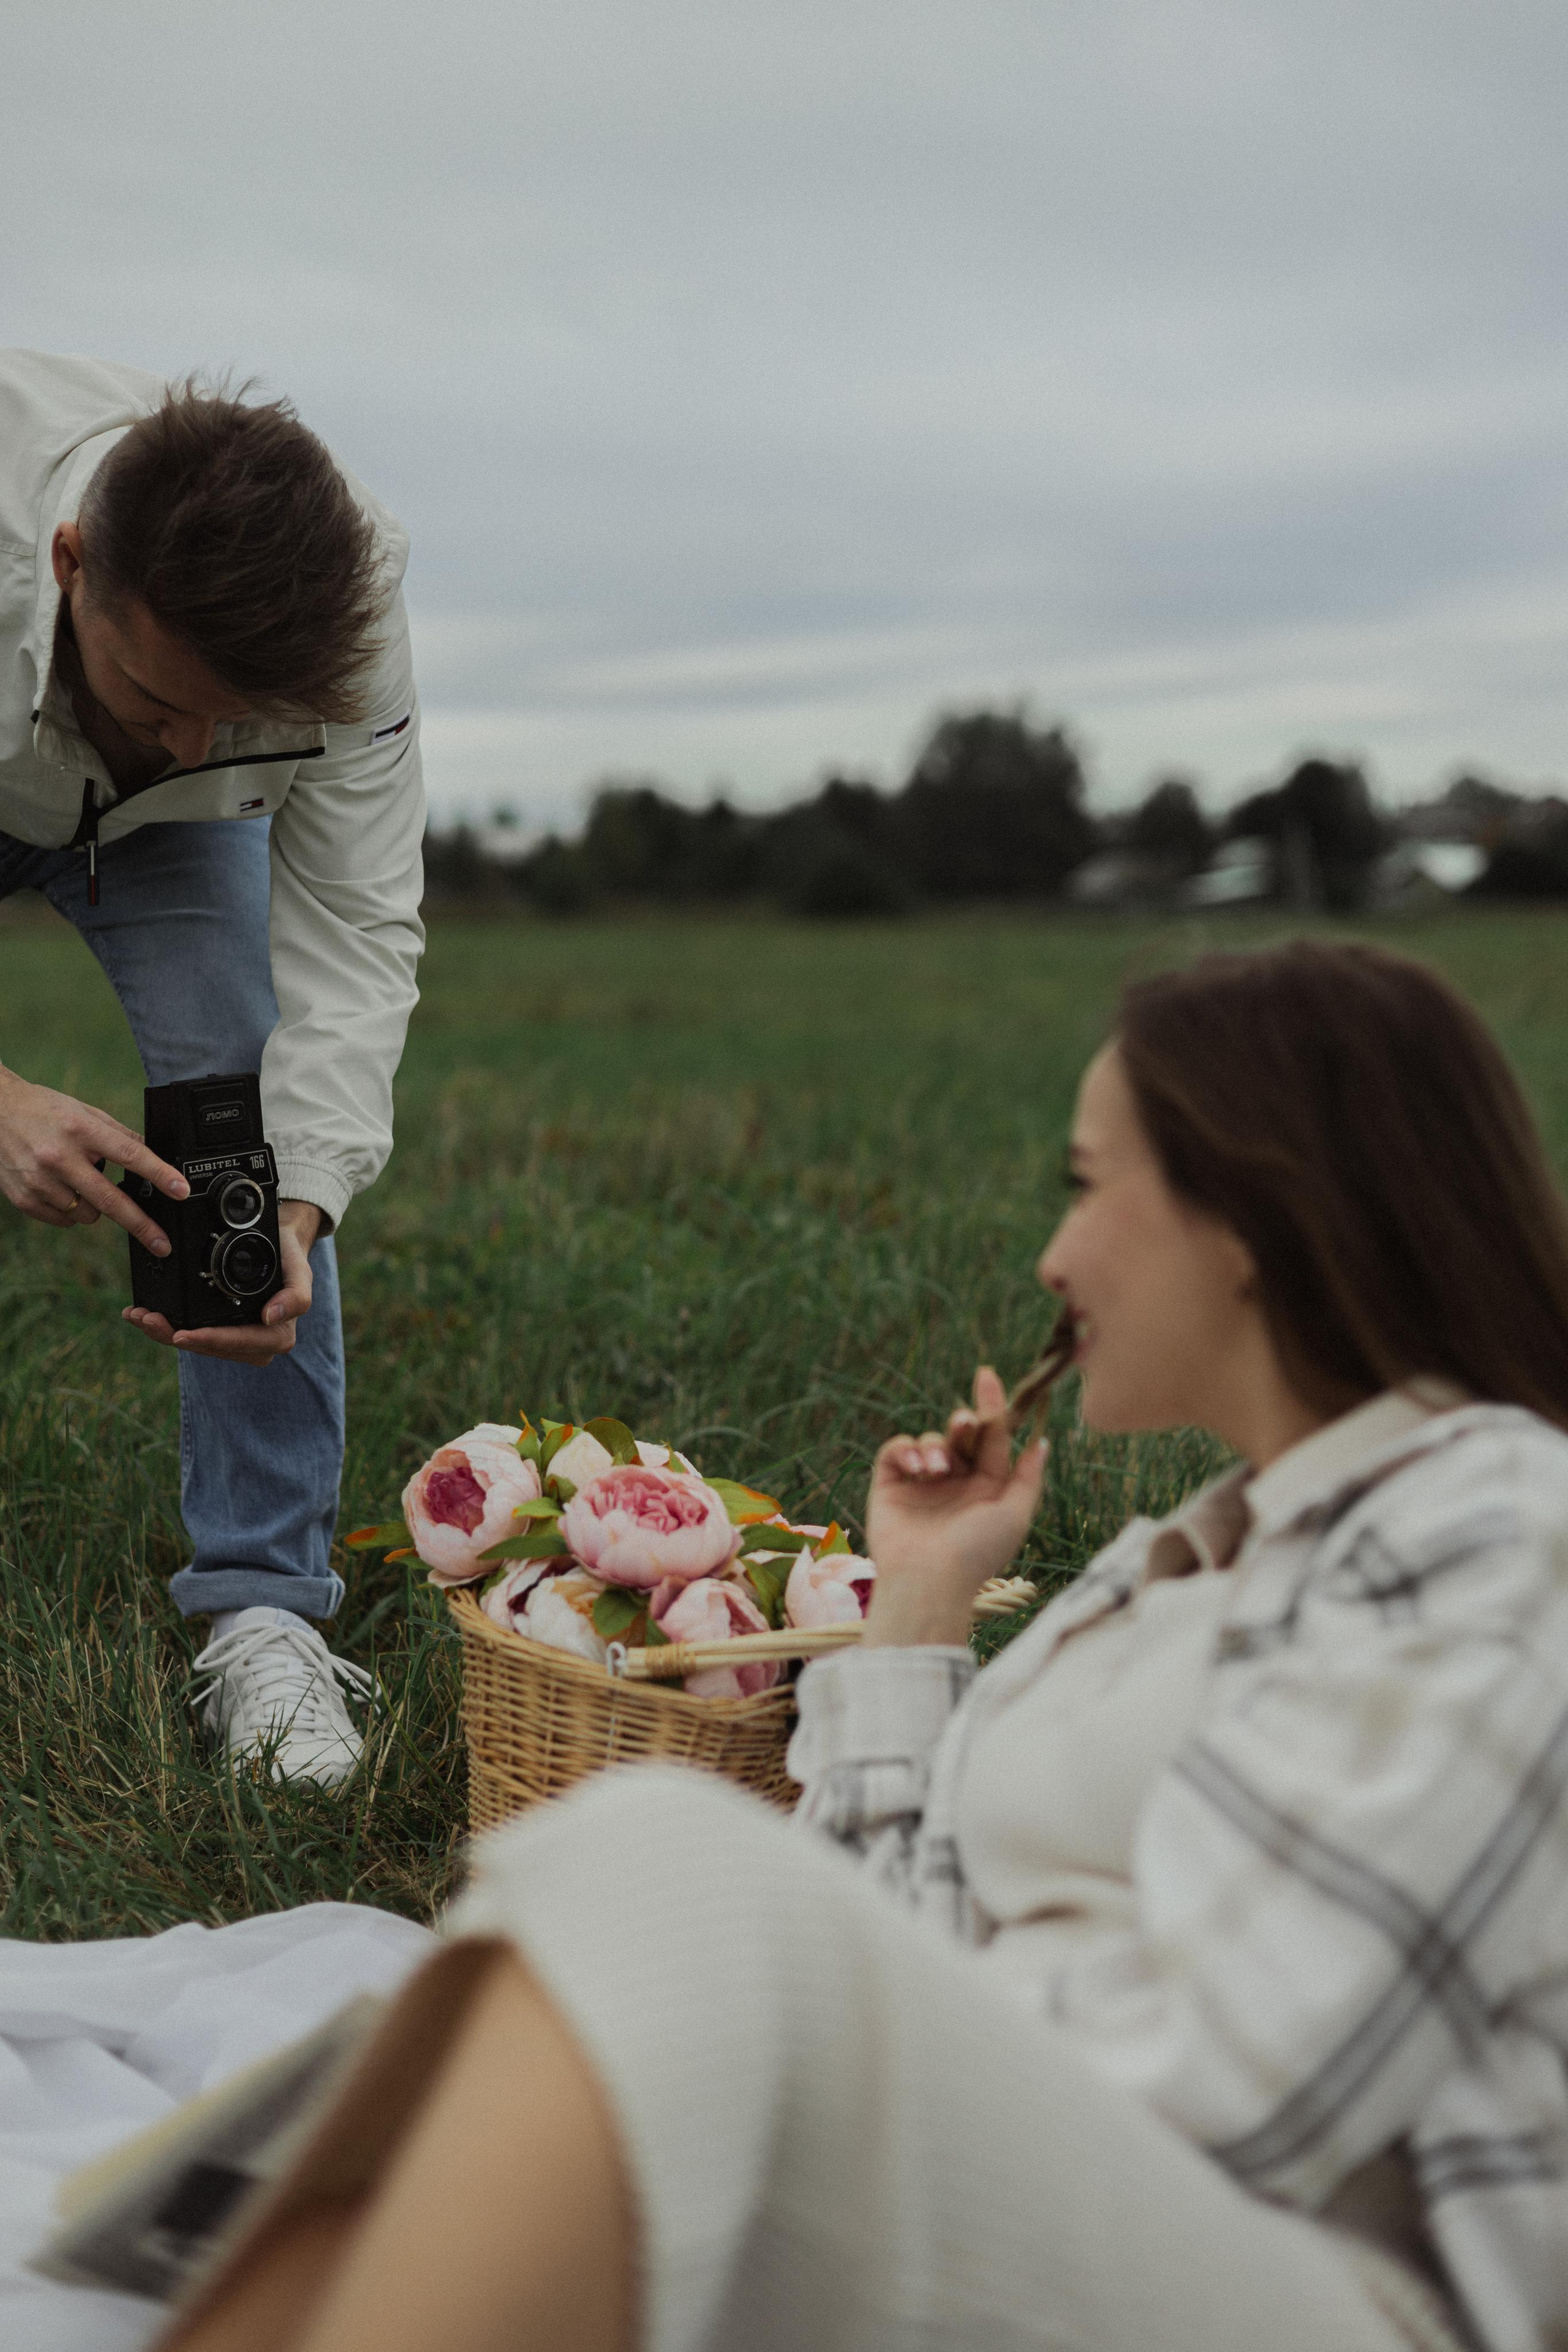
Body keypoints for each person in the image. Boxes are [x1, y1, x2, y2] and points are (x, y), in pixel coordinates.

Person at [168, 935, 1568, 2352]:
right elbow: (894, 1924)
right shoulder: (1175, 1569)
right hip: (1057, 2206)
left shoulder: (1496, 1525)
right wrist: (918, 1599)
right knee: (488, 2066)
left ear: (1247, 1216)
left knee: (654, 1865)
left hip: (1332, 2291)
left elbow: (1259, 2093)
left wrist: (808, 2053)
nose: (1052, 1257)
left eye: (1086, 1186)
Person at [0, 349, 425, 1787]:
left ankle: (263, 1610)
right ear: (70, 565)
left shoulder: (347, 605)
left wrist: (300, 1198)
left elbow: (356, 929)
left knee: (244, 1097)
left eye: (228, 716)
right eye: (154, 693)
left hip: (166, 840)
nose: (185, 743)